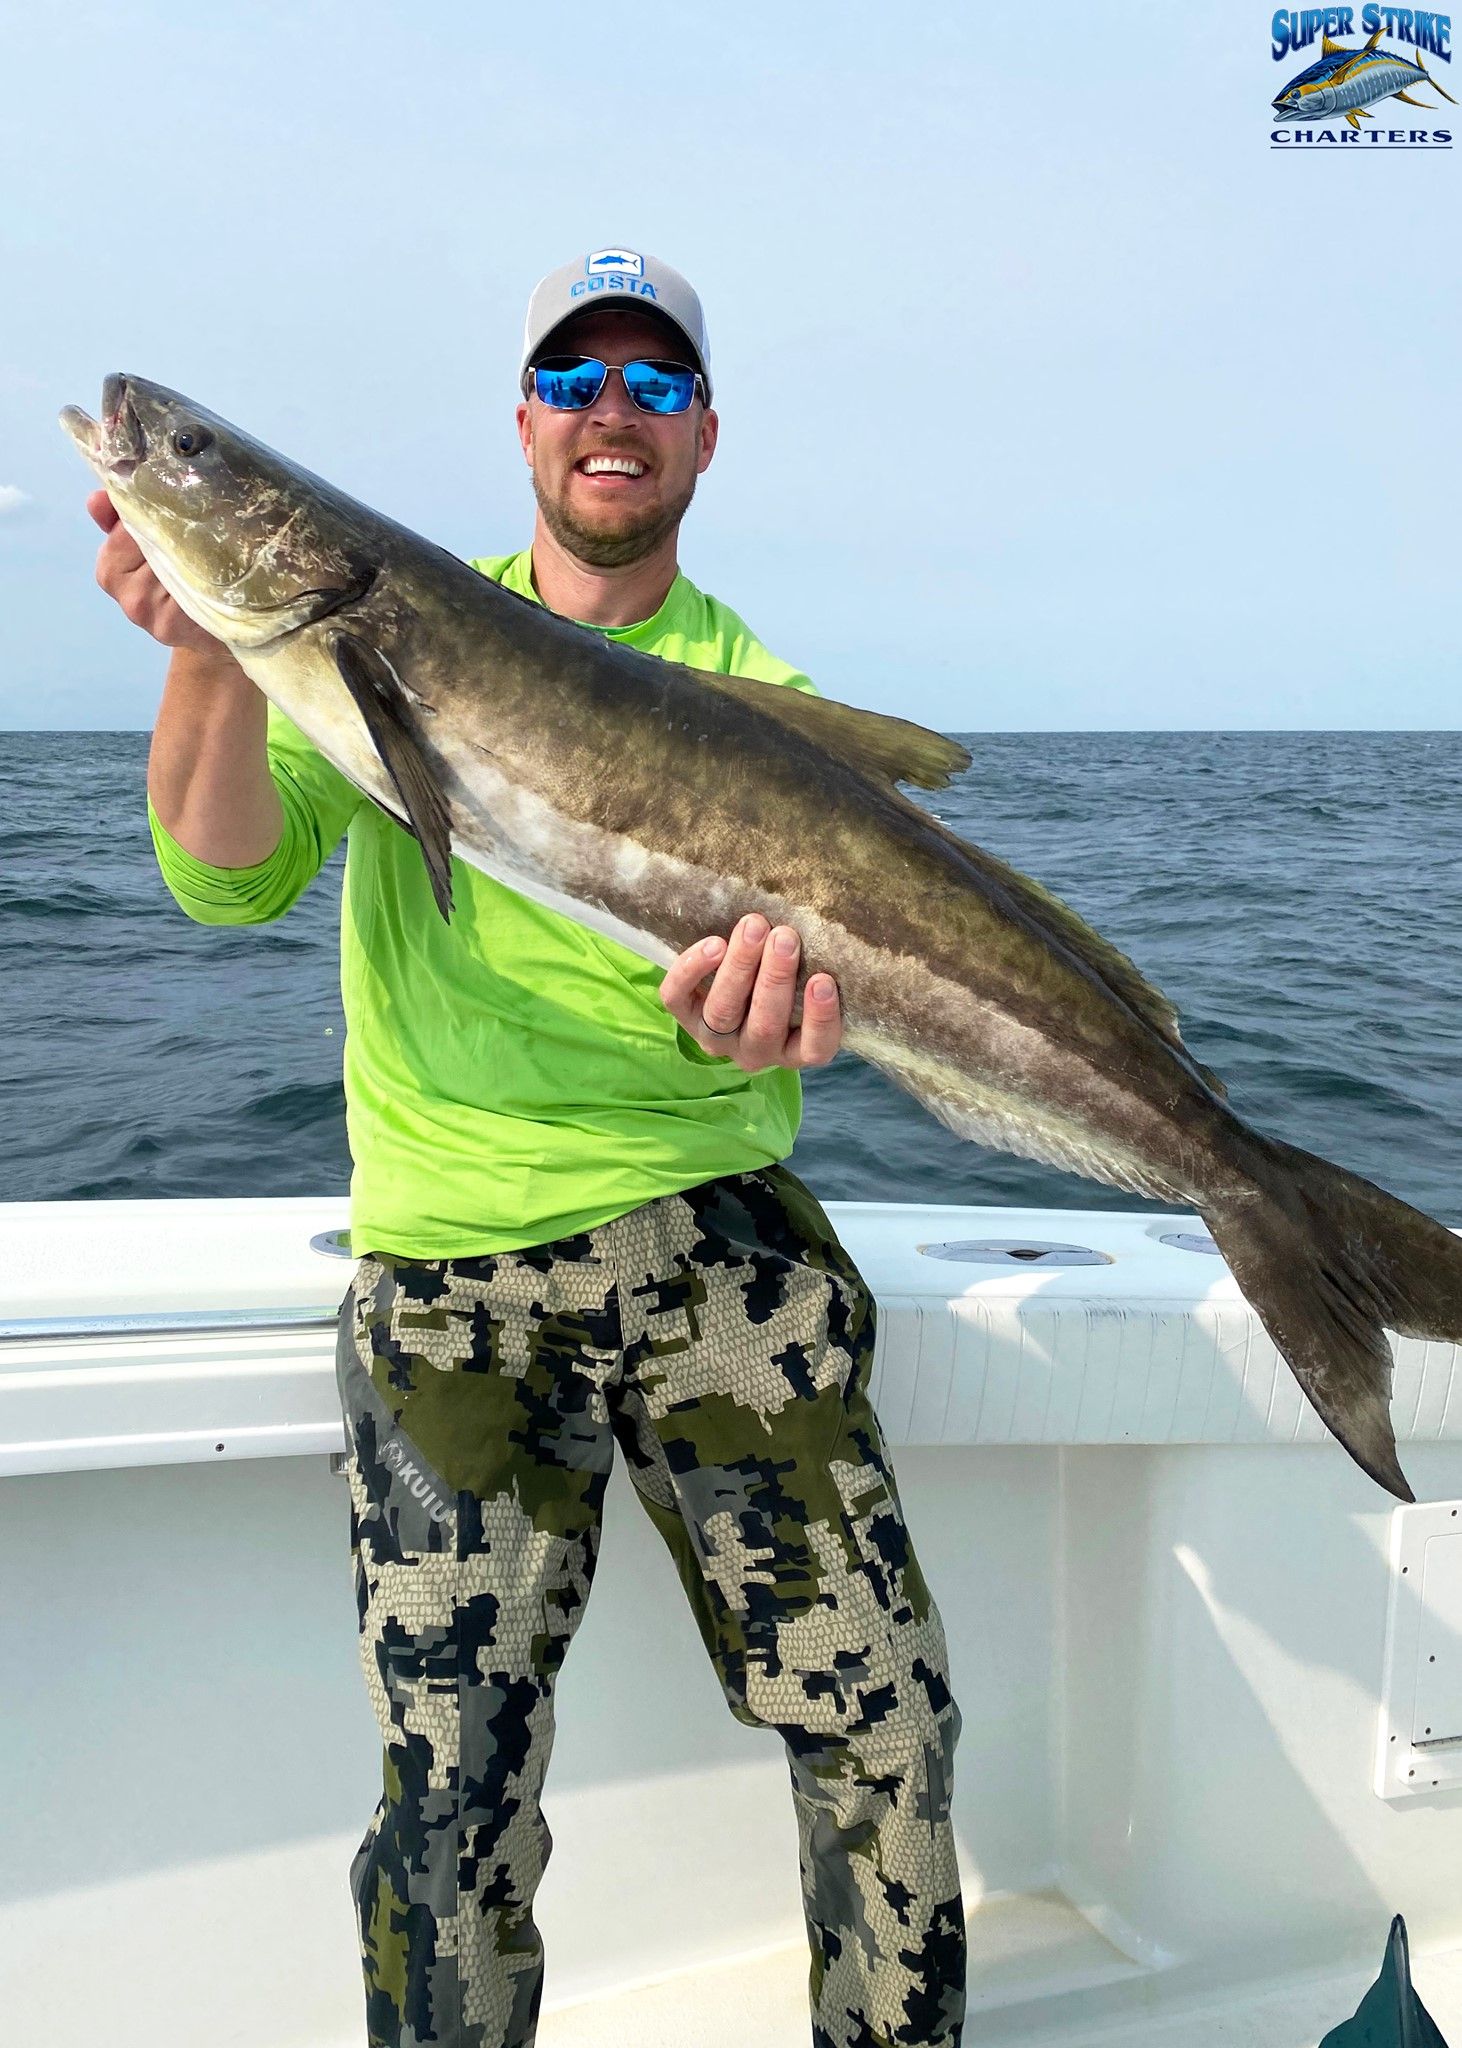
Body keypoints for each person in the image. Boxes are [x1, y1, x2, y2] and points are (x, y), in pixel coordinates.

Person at [89, 247, 966, 2048]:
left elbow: (825, 994)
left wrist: (799, 1014)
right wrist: (206, 649)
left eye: (652, 385)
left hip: (720, 1235)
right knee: (449, 1792)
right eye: (575, 382)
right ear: (523, 427)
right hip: (448, 1270)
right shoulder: (386, 624)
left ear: (704, 435)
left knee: (878, 1723)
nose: (610, 415)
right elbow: (223, 877)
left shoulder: (750, 688)